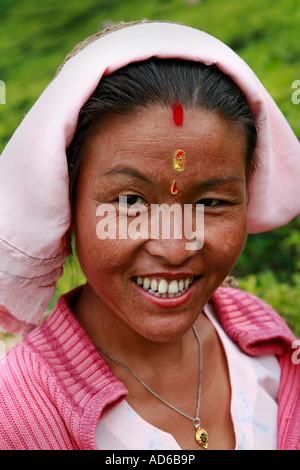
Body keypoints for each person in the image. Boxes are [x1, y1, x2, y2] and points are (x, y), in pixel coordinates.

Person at [0, 20, 299, 451]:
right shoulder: (22, 419)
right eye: (129, 203)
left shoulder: (259, 337)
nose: (176, 248)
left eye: (211, 203)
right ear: (65, 203)